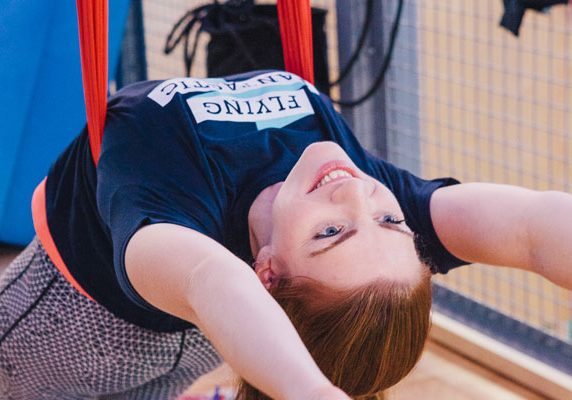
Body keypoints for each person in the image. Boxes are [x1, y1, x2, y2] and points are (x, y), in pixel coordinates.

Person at [0, 69, 570, 400]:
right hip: (232, 336)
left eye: (329, 232)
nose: (355, 194)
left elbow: (210, 278)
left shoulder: (176, 209)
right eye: (394, 222)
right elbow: (528, 231)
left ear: (267, 272)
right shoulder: (358, 203)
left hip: (75, 330)